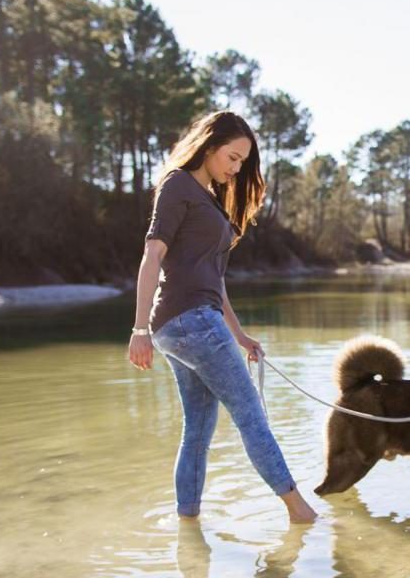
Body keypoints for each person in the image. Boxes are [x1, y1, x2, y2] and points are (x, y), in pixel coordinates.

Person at [127, 110, 318, 524]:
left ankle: (187, 523)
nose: (236, 168)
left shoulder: (209, 198)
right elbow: (152, 254)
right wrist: (138, 328)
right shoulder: (178, 185)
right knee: (251, 414)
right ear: (209, 147)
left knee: (197, 430)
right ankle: (302, 514)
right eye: (232, 158)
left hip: (186, 324)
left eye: (241, 162)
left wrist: (240, 335)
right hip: (187, 321)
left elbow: (215, 281)